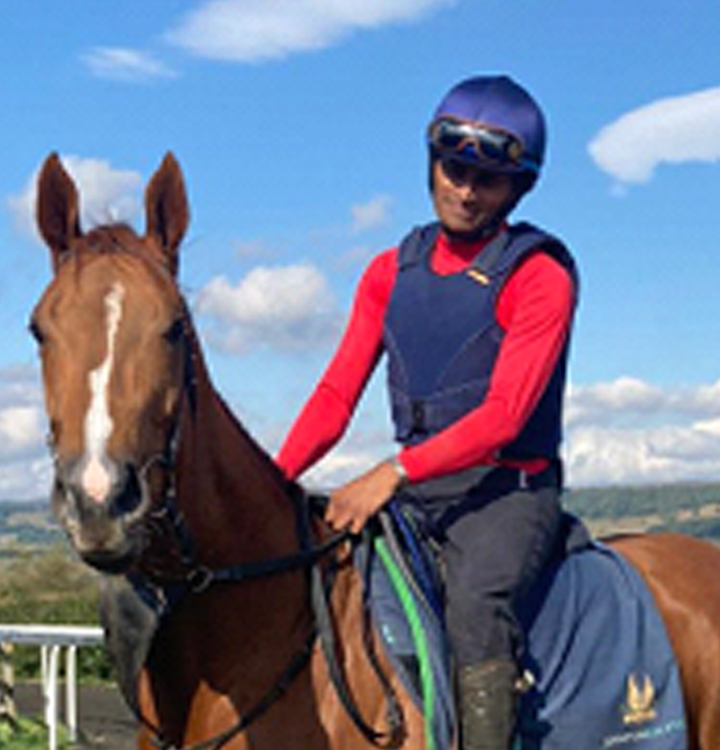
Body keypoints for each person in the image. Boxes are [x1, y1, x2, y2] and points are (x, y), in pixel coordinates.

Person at [276, 74, 576, 750]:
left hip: (506, 494)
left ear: (518, 188)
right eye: (454, 168)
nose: (465, 190)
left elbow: (504, 415)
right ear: (432, 162)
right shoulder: (389, 271)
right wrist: (272, 483)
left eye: (487, 180)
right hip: (418, 492)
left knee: (477, 608)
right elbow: (333, 399)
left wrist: (390, 473)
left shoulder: (540, 274)